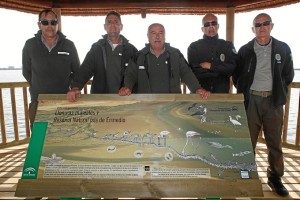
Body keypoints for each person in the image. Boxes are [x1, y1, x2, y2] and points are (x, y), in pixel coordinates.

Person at [233, 13, 294, 197]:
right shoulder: (245, 50)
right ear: (253, 29)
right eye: (258, 24)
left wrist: (277, 90)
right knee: (247, 142)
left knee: (274, 143)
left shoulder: (283, 48)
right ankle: (247, 175)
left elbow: (288, 75)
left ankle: (275, 178)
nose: (262, 27)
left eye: (265, 23)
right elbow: (237, 77)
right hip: (251, 101)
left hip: (273, 102)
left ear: (271, 26)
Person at [119, 23, 210, 98]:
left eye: (161, 33)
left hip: (172, 105)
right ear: (148, 36)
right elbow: (130, 75)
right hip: (145, 105)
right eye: (153, 33)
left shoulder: (176, 54)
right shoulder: (138, 56)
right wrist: (126, 87)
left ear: (164, 36)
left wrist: (197, 88)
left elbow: (187, 73)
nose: (157, 36)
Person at [22, 9, 80, 126]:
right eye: (45, 22)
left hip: (64, 101)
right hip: (39, 102)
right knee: (39, 141)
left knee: (62, 138)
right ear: (39, 25)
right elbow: (26, 72)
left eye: (53, 22)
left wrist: (72, 88)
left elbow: (78, 71)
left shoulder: (69, 45)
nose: (50, 26)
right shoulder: (30, 45)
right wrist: (39, 86)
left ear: (57, 24)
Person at [67, 11, 138, 102]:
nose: (112, 24)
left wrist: (128, 87)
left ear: (121, 26)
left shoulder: (132, 50)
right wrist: (75, 87)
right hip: (100, 99)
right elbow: (86, 69)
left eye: (116, 22)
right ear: (105, 27)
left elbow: (135, 74)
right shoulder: (97, 48)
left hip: (124, 99)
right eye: (109, 22)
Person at [187, 13, 238, 93]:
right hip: (200, 93)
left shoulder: (227, 45)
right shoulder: (194, 47)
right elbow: (194, 71)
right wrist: (221, 71)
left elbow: (232, 68)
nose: (211, 27)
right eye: (207, 24)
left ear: (218, 26)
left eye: (213, 23)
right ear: (202, 29)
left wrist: (210, 66)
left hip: (222, 94)